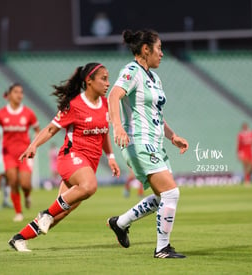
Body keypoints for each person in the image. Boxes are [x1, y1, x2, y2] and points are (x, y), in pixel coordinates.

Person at [8, 62, 120, 252]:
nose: (108, 83)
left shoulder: (106, 105)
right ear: (89, 81)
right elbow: (52, 128)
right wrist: (34, 144)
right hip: (71, 158)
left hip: (88, 164)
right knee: (90, 186)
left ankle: (19, 238)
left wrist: (110, 156)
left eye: (108, 79)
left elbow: (103, 133)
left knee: (60, 212)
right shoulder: (75, 105)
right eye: (103, 79)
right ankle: (45, 213)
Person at [107, 29, 189, 259]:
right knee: (171, 193)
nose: (161, 54)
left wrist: (172, 136)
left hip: (155, 143)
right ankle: (162, 248)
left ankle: (120, 223)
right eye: (159, 48)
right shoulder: (131, 71)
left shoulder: (154, 77)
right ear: (146, 50)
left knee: (162, 196)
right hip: (138, 142)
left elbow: (155, 115)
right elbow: (113, 96)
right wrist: (118, 126)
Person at [0, 83, 40, 222]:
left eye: (21, 92)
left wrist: (34, 143)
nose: (19, 95)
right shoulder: (1, 114)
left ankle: (27, 195)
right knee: (13, 181)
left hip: (25, 154)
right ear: (9, 94)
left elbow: (37, 130)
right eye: (16, 92)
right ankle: (18, 212)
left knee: (25, 184)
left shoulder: (28, 113)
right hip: (8, 154)